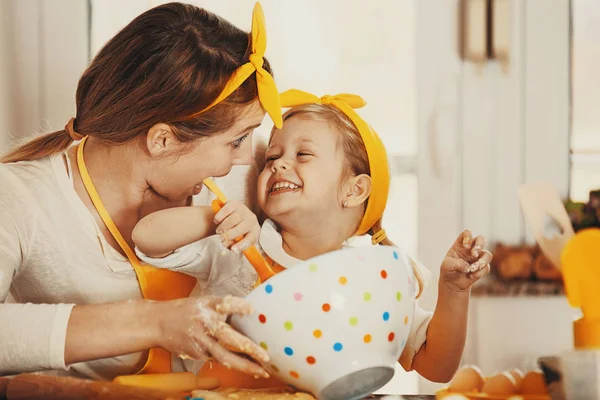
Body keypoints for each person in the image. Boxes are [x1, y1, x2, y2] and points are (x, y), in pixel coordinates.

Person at [132, 90, 493, 388]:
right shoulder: (239, 245)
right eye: (272, 156)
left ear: (354, 190)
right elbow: (146, 236)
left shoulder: (376, 279)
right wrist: (214, 219)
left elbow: (437, 367)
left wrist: (455, 291)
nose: (278, 164)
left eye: (302, 154)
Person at [0, 2, 282, 381]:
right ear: (162, 139)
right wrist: (154, 321)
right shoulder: (19, 196)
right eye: (238, 140)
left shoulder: (249, 177)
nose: (251, 157)